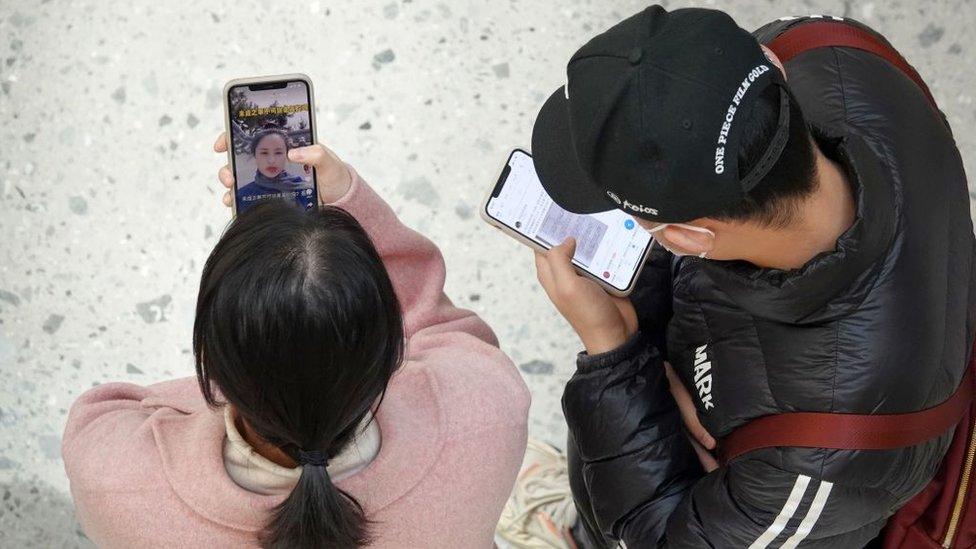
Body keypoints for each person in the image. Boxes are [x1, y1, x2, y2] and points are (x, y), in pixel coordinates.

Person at [523, 6, 974, 547]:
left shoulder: (819, 452)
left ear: (689, 238)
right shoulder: (827, 47)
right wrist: (653, 374)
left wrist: (613, 352)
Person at [61, 135, 531, 548]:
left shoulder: (113, 476)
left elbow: (109, 408)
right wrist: (350, 198)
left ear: (213, 366)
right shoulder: (488, 411)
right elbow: (442, 327)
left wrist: (258, 365)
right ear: (390, 352)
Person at [236, 127, 311, 208]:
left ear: (287, 155)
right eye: (264, 153)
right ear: (255, 156)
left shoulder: (306, 191)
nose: (271, 160)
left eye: (278, 153)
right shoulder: (241, 196)